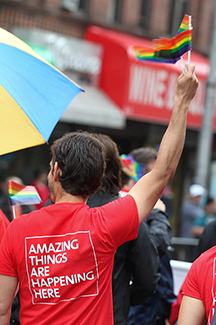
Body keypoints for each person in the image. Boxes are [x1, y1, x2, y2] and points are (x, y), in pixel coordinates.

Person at [0, 65, 198, 325]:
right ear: (95, 182)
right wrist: (182, 101)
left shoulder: (17, 230)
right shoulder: (105, 224)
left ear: (56, 171)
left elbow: (3, 309)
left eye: (50, 167)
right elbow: (163, 172)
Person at [87, 134, 161, 325]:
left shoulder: (50, 210)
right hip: (111, 315)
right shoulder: (126, 214)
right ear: (115, 169)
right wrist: (122, 298)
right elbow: (147, 278)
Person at [127, 147, 175, 325]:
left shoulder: (154, 210)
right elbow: (153, 253)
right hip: (139, 313)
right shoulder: (132, 213)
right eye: (153, 173)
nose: (160, 181)